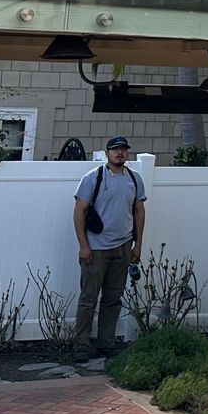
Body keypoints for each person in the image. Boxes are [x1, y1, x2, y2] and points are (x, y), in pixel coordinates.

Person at [73, 135, 146, 357]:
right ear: (107, 154)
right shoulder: (93, 178)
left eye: (123, 149)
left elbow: (139, 212)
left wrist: (137, 245)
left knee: (113, 298)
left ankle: (106, 341)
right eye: (115, 150)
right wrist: (84, 246)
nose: (120, 153)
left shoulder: (134, 179)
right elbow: (79, 212)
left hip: (123, 247)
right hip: (95, 248)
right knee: (88, 299)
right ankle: (82, 345)